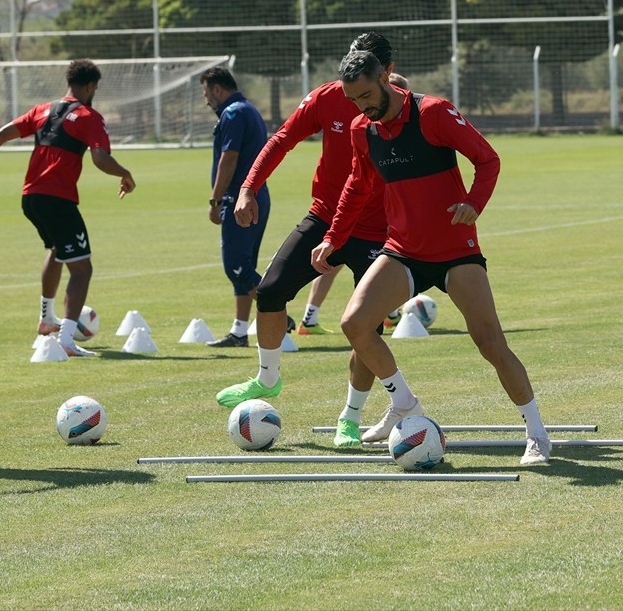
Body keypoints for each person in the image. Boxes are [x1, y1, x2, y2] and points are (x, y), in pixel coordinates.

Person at [311, 50, 551, 464]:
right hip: (402, 250)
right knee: (355, 323)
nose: (362, 107)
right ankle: (403, 403)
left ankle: (537, 435)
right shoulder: (361, 129)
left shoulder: (435, 112)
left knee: (490, 343)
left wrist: (474, 203)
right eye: (353, 101)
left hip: (456, 251)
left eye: (367, 95)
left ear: (386, 76)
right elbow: (358, 184)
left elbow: (487, 159)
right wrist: (334, 236)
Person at [214, 34, 394, 449]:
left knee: (366, 327)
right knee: (272, 290)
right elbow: (281, 140)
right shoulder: (325, 98)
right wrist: (247, 187)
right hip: (324, 217)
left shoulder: (403, 106)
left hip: (377, 230)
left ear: (384, 72)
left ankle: (350, 418)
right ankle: (267, 379)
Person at [0, 59, 135, 357]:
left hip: (30, 197)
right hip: (57, 199)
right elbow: (101, 159)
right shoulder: (90, 116)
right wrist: (125, 174)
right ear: (91, 86)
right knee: (82, 269)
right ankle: (66, 338)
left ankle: (45, 319)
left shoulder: (43, 109)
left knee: (56, 250)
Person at [298, 72, 410, 336]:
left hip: (349, 213)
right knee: (369, 263)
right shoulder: (370, 128)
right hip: (357, 214)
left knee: (332, 262)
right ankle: (387, 313)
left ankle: (311, 317)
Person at [201, 65, 270, 348]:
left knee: (237, 266)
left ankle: (279, 311)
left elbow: (228, 159)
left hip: (239, 199)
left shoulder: (233, 113)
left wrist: (215, 200)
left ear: (217, 89)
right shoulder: (248, 109)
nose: (206, 100)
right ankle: (240, 332)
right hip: (257, 196)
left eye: (207, 93)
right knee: (245, 266)